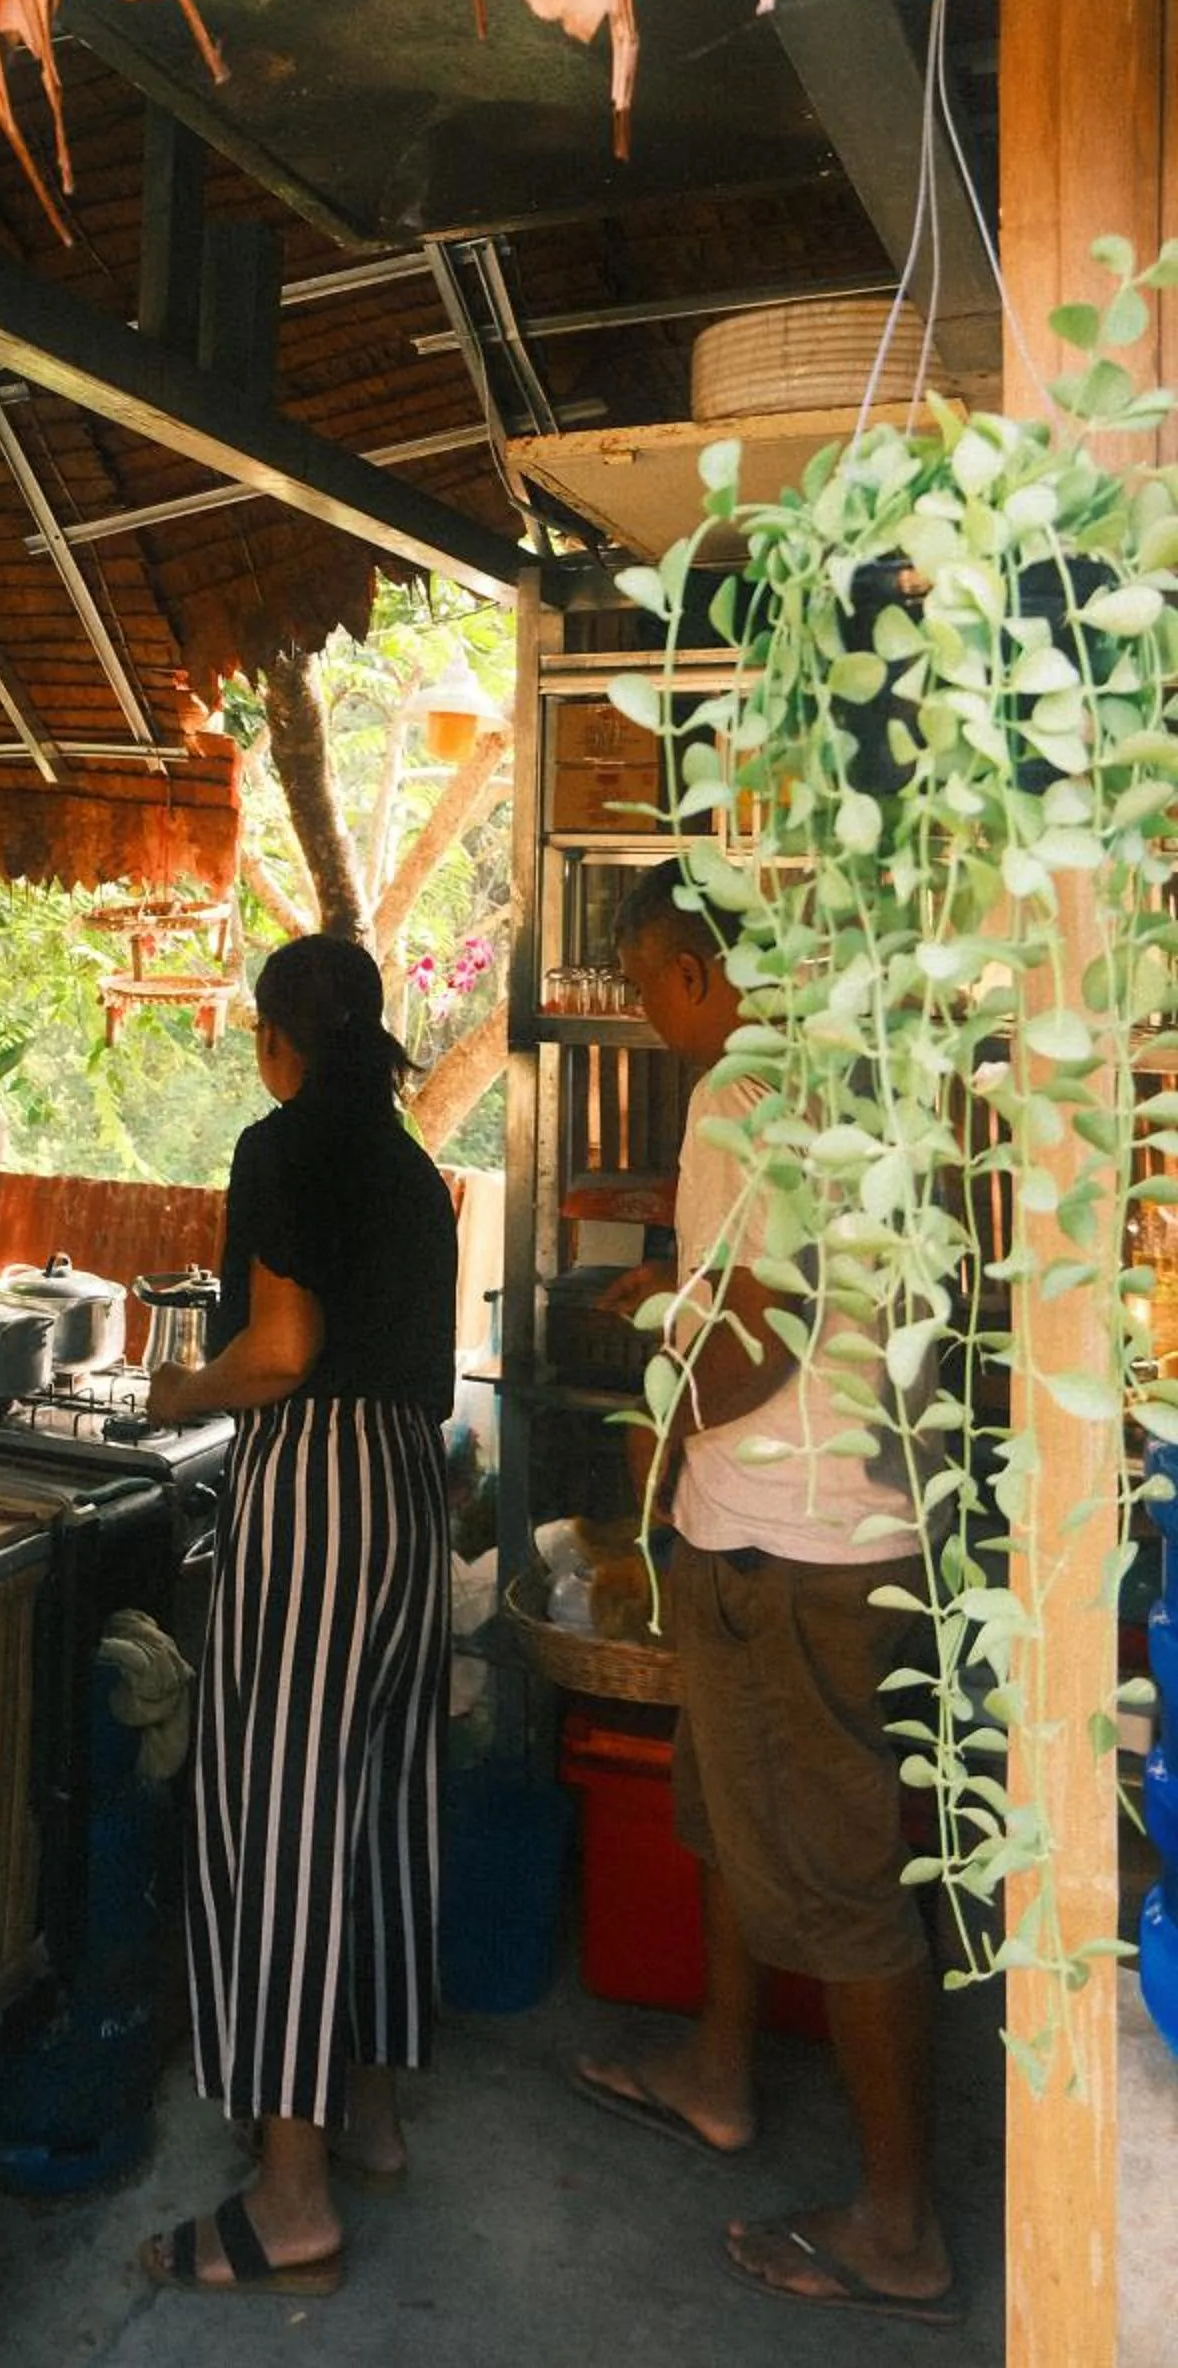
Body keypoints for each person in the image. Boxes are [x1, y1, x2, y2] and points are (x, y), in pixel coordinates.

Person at [573, 860, 959, 2328]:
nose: (655, 1023)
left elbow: (745, 1362)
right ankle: (719, 2074)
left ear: (686, 973)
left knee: (849, 1893)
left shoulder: (739, 1098)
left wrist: (658, 1359)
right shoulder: (864, 1077)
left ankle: (898, 2227)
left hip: (790, 1549)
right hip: (840, 1525)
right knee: (726, 1815)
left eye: (644, 990)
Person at [138, 931, 456, 2299]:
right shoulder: (409, 1166)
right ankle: (369, 2117)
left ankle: (290, 2194)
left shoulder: (283, 1144)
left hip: (318, 1490)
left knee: (280, 1816)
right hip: (407, 1494)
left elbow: (281, 1351)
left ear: (278, 1039)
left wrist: (171, 1398)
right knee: (379, 1799)